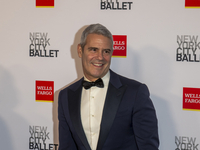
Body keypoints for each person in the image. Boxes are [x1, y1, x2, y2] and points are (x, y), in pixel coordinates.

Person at [58, 23, 159, 150]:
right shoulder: (66, 96)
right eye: (93, 49)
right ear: (80, 50)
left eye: (106, 51)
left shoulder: (135, 93)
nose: (100, 57)